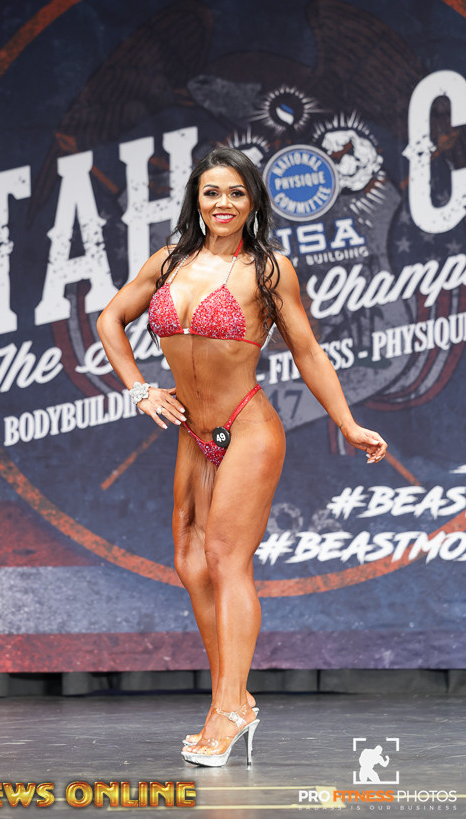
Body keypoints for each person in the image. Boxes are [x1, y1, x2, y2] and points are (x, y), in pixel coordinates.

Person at [96, 147, 387, 767]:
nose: (222, 203)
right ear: (196, 200)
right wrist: (140, 389)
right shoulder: (169, 262)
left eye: (235, 192)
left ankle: (228, 709)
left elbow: (307, 351)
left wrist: (347, 423)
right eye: (211, 192)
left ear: (253, 201)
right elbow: (110, 319)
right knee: (190, 563)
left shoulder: (269, 269)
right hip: (193, 432)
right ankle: (235, 699)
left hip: (247, 428)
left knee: (227, 560)